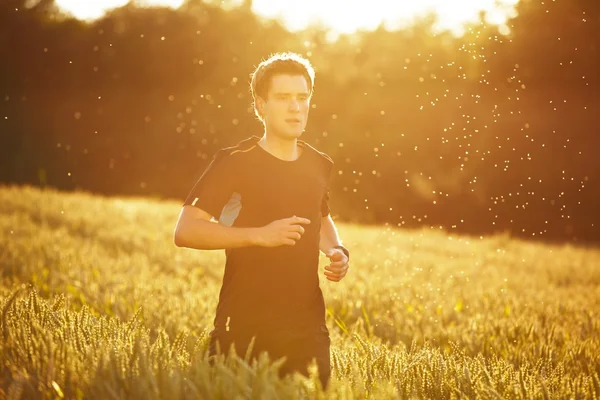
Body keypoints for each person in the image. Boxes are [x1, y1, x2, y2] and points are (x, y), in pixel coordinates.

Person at [173, 52, 350, 389]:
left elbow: (321, 219)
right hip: (242, 327)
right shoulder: (234, 162)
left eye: (302, 97)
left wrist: (337, 251)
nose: (295, 107)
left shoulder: (319, 164)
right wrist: (258, 236)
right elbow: (186, 230)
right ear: (260, 105)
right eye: (283, 98)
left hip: (308, 329)